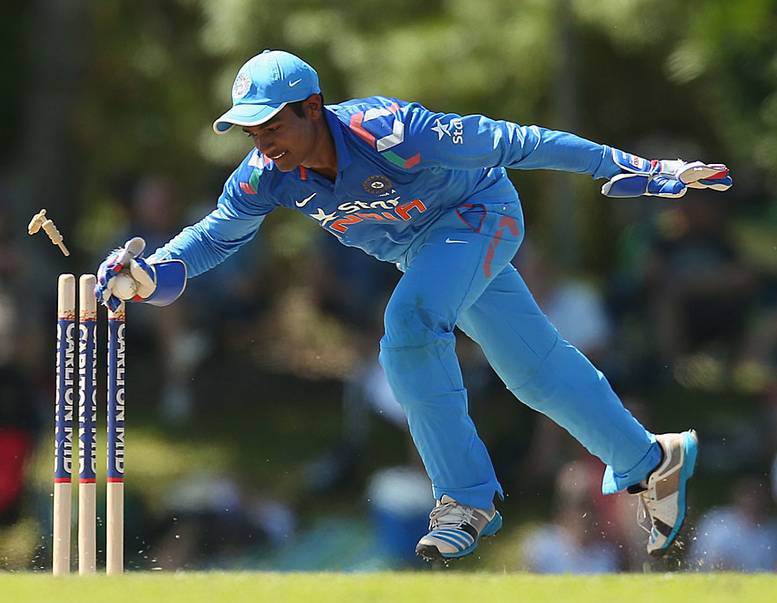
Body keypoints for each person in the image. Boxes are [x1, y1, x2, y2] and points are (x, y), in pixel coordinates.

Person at [95, 50, 732, 562]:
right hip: (425, 254)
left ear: (313, 107)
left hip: (478, 216)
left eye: (273, 125)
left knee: (407, 326)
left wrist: (649, 171)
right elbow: (214, 238)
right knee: (533, 371)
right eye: (251, 129)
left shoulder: (394, 131)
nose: (263, 142)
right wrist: (147, 276)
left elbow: (522, 141)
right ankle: (650, 460)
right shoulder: (266, 174)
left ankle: (465, 499)